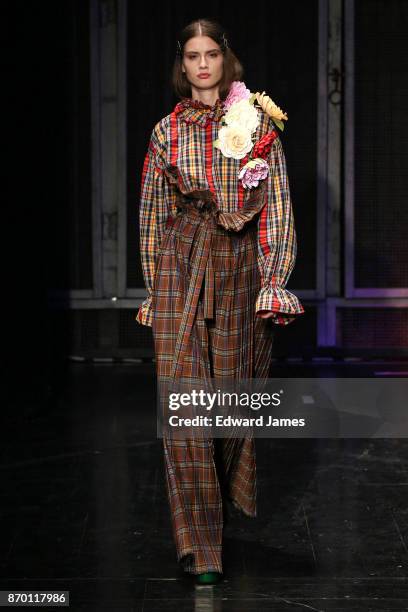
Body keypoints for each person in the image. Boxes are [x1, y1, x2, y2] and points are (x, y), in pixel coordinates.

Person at [136, 18, 305, 585]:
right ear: (181, 65)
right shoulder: (165, 132)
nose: (202, 63)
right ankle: (200, 546)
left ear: (224, 60)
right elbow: (153, 214)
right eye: (191, 55)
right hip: (181, 267)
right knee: (184, 405)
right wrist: (152, 284)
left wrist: (274, 277)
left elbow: (277, 203)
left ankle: (219, 502)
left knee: (231, 402)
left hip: (238, 270)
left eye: (210, 53)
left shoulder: (259, 126)